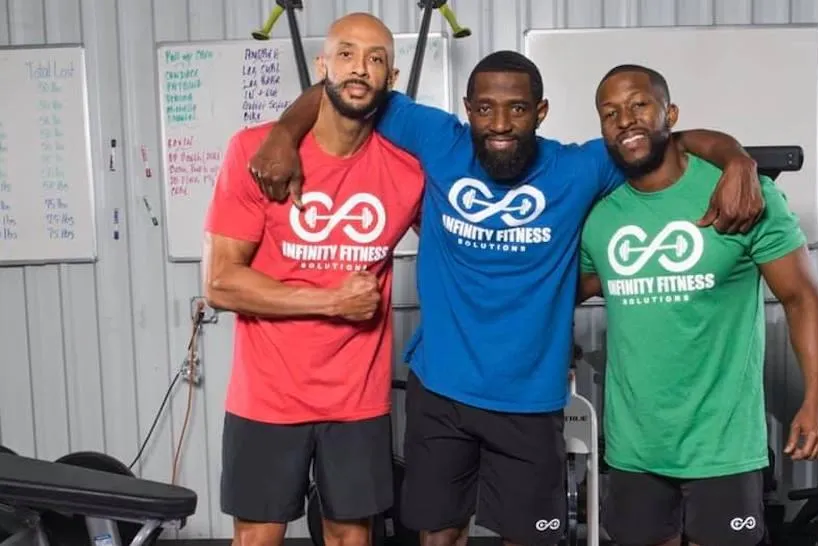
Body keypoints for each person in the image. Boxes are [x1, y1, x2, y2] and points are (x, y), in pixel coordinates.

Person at [249, 44, 765, 546]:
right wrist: (283, 134)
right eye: (485, 109)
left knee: (529, 537)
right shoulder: (439, 139)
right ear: (467, 109)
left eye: (517, 109)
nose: (499, 124)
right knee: (440, 532)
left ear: (540, 112)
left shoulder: (579, 168)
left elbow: (662, 139)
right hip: (442, 390)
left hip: (530, 400)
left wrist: (737, 158)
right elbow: (345, 91)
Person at [577, 64, 818, 546]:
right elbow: (558, 292)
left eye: (639, 105)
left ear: (670, 114)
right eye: (610, 113)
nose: (625, 120)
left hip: (722, 444)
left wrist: (816, 399)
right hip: (635, 446)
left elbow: (801, 298)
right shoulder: (601, 218)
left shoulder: (741, 196)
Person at [201, 13, 425, 546]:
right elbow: (221, 283)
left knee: (351, 535)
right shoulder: (257, 153)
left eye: (375, 59)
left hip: (356, 398)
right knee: (258, 536)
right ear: (323, 65)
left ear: (391, 78)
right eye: (346, 54)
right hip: (267, 394)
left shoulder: (409, 170)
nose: (360, 69)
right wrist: (331, 303)